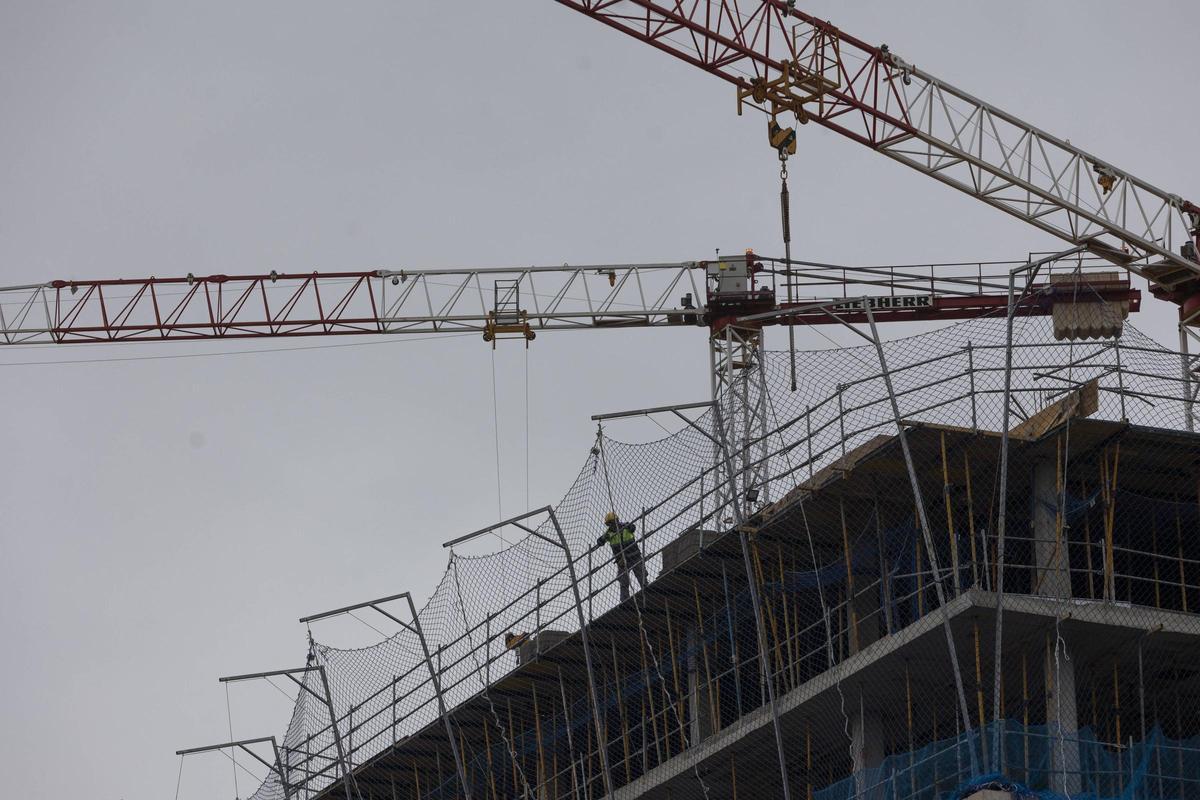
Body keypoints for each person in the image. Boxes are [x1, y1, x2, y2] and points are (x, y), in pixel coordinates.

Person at [596, 511, 648, 601]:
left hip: (634, 557)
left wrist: (628, 526)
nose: (612, 525)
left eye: (612, 522)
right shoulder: (609, 534)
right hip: (622, 561)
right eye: (609, 523)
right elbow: (600, 542)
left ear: (617, 521)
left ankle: (647, 590)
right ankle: (625, 599)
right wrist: (603, 538)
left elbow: (633, 528)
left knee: (641, 575)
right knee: (623, 581)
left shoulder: (626, 526)